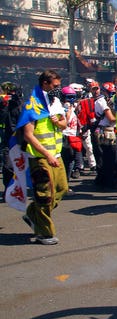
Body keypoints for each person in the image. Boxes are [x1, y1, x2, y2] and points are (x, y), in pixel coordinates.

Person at [17, 69, 67, 245]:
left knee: (61, 189)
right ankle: (44, 233)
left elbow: (64, 124)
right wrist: (47, 154)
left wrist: (58, 122)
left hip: (57, 154)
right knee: (45, 195)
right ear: (44, 84)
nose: (58, 89)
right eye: (55, 86)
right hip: (40, 156)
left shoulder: (55, 102)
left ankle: (33, 214)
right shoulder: (32, 105)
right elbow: (28, 135)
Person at [94, 81, 117, 189]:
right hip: (105, 131)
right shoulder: (101, 101)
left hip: (111, 130)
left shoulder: (110, 101)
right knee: (108, 157)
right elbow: (111, 118)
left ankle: (104, 179)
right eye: (109, 92)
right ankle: (107, 181)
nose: (111, 94)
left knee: (110, 156)